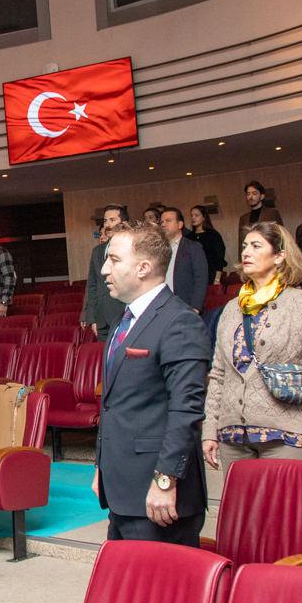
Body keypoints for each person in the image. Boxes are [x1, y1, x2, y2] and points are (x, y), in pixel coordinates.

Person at [92, 224, 211, 546]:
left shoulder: (180, 321)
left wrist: (165, 480)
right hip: (123, 488)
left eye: (114, 260)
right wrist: (102, 465)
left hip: (158, 493)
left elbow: (186, 410)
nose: (104, 270)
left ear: (143, 268)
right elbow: (116, 403)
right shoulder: (124, 320)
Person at [202, 221, 302, 477]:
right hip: (233, 435)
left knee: (284, 504)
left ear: (279, 256)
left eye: (256, 246)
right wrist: (210, 429)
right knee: (240, 504)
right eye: (244, 246)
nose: (246, 252)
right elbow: (218, 374)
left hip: (286, 435)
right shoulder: (231, 309)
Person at [83, 206, 128, 340]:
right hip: (101, 319)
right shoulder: (97, 251)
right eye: (105, 220)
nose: (107, 225)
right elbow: (92, 286)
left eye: (112, 220)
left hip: (124, 315)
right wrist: (92, 317)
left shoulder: (133, 248)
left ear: (124, 224)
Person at [160, 208, 209, 312]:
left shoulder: (193, 247)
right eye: (162, 222)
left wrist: (196, 307)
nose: (163, 225)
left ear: (180, 224)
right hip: (161, 305)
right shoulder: (157, 249)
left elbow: (201, 277)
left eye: (168, 221)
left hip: (184, 306)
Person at [237, 180, 284, 254]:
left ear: (262, 196)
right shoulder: (243, 218)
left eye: (254, 193)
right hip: (250, 254)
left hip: (268, 254)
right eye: (248, 194)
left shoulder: (272, 213)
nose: (250, 197)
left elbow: (280, 237)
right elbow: (241, 242)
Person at [189, 206, 226, 284]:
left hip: (210, 275)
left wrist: (217, 279)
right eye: (191, 215)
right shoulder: (188, 237)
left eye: (196, 215)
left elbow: (219, 258)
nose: (193, 218)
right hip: (192, 276)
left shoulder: (213, 235)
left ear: (204, 217)